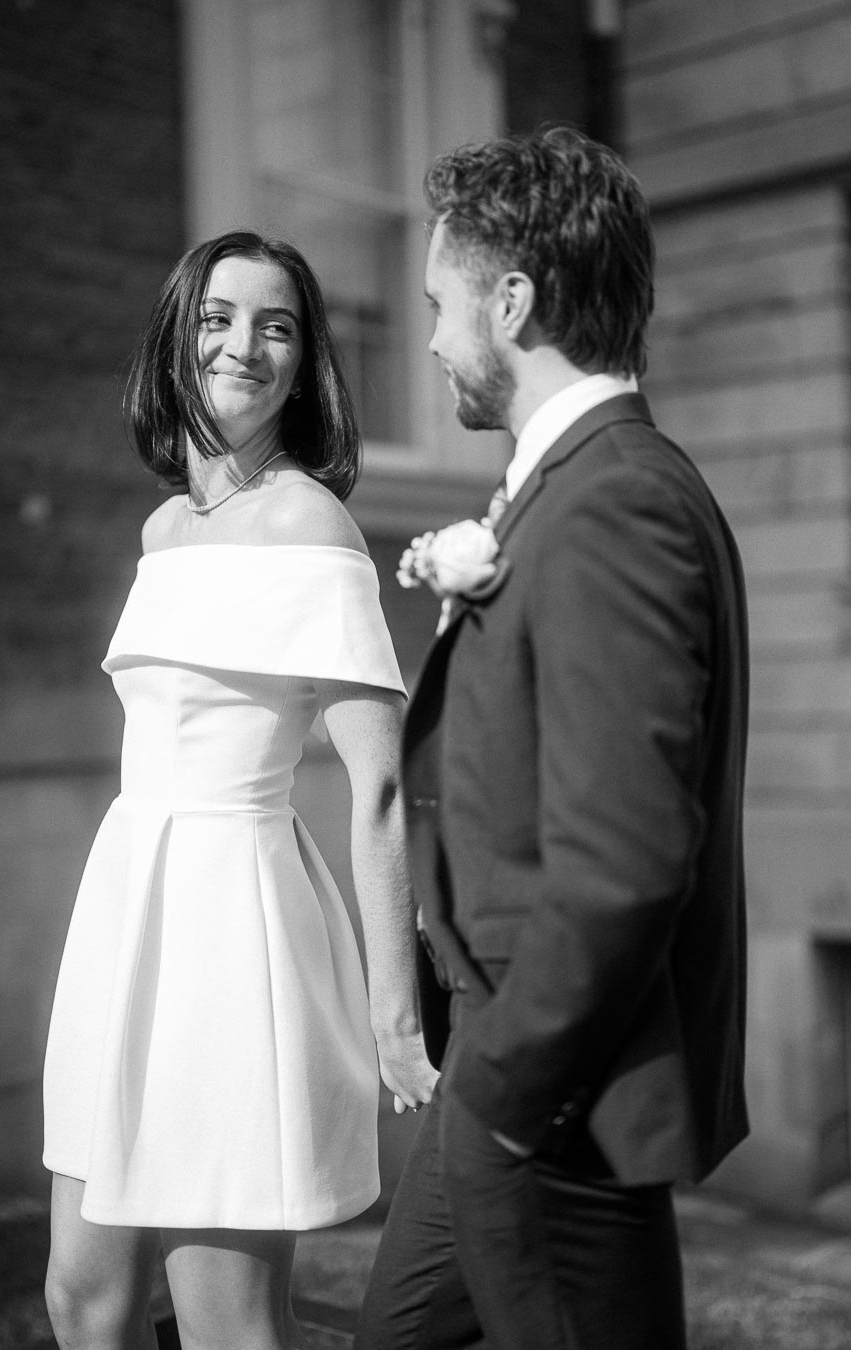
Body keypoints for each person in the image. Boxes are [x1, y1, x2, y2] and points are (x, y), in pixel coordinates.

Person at [356, 127, 749, 1350]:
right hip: (509, 1062)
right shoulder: (577, 485)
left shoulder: (614, 501)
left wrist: (505, 1095)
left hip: (552, 1099)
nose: (427, 338)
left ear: (513, 301)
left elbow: (624, 861)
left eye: (439, 304)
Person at [42, 229, 436, 1350]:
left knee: (226, 1325)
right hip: (124, 917)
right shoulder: (163, 529)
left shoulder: (315, 525)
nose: (242, 345)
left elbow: (378, 789)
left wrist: (395, 1019)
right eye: (218, 317)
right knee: (84, 1297)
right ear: (179, 336)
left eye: (276, 325)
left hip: (230, 933)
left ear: (304, 360)